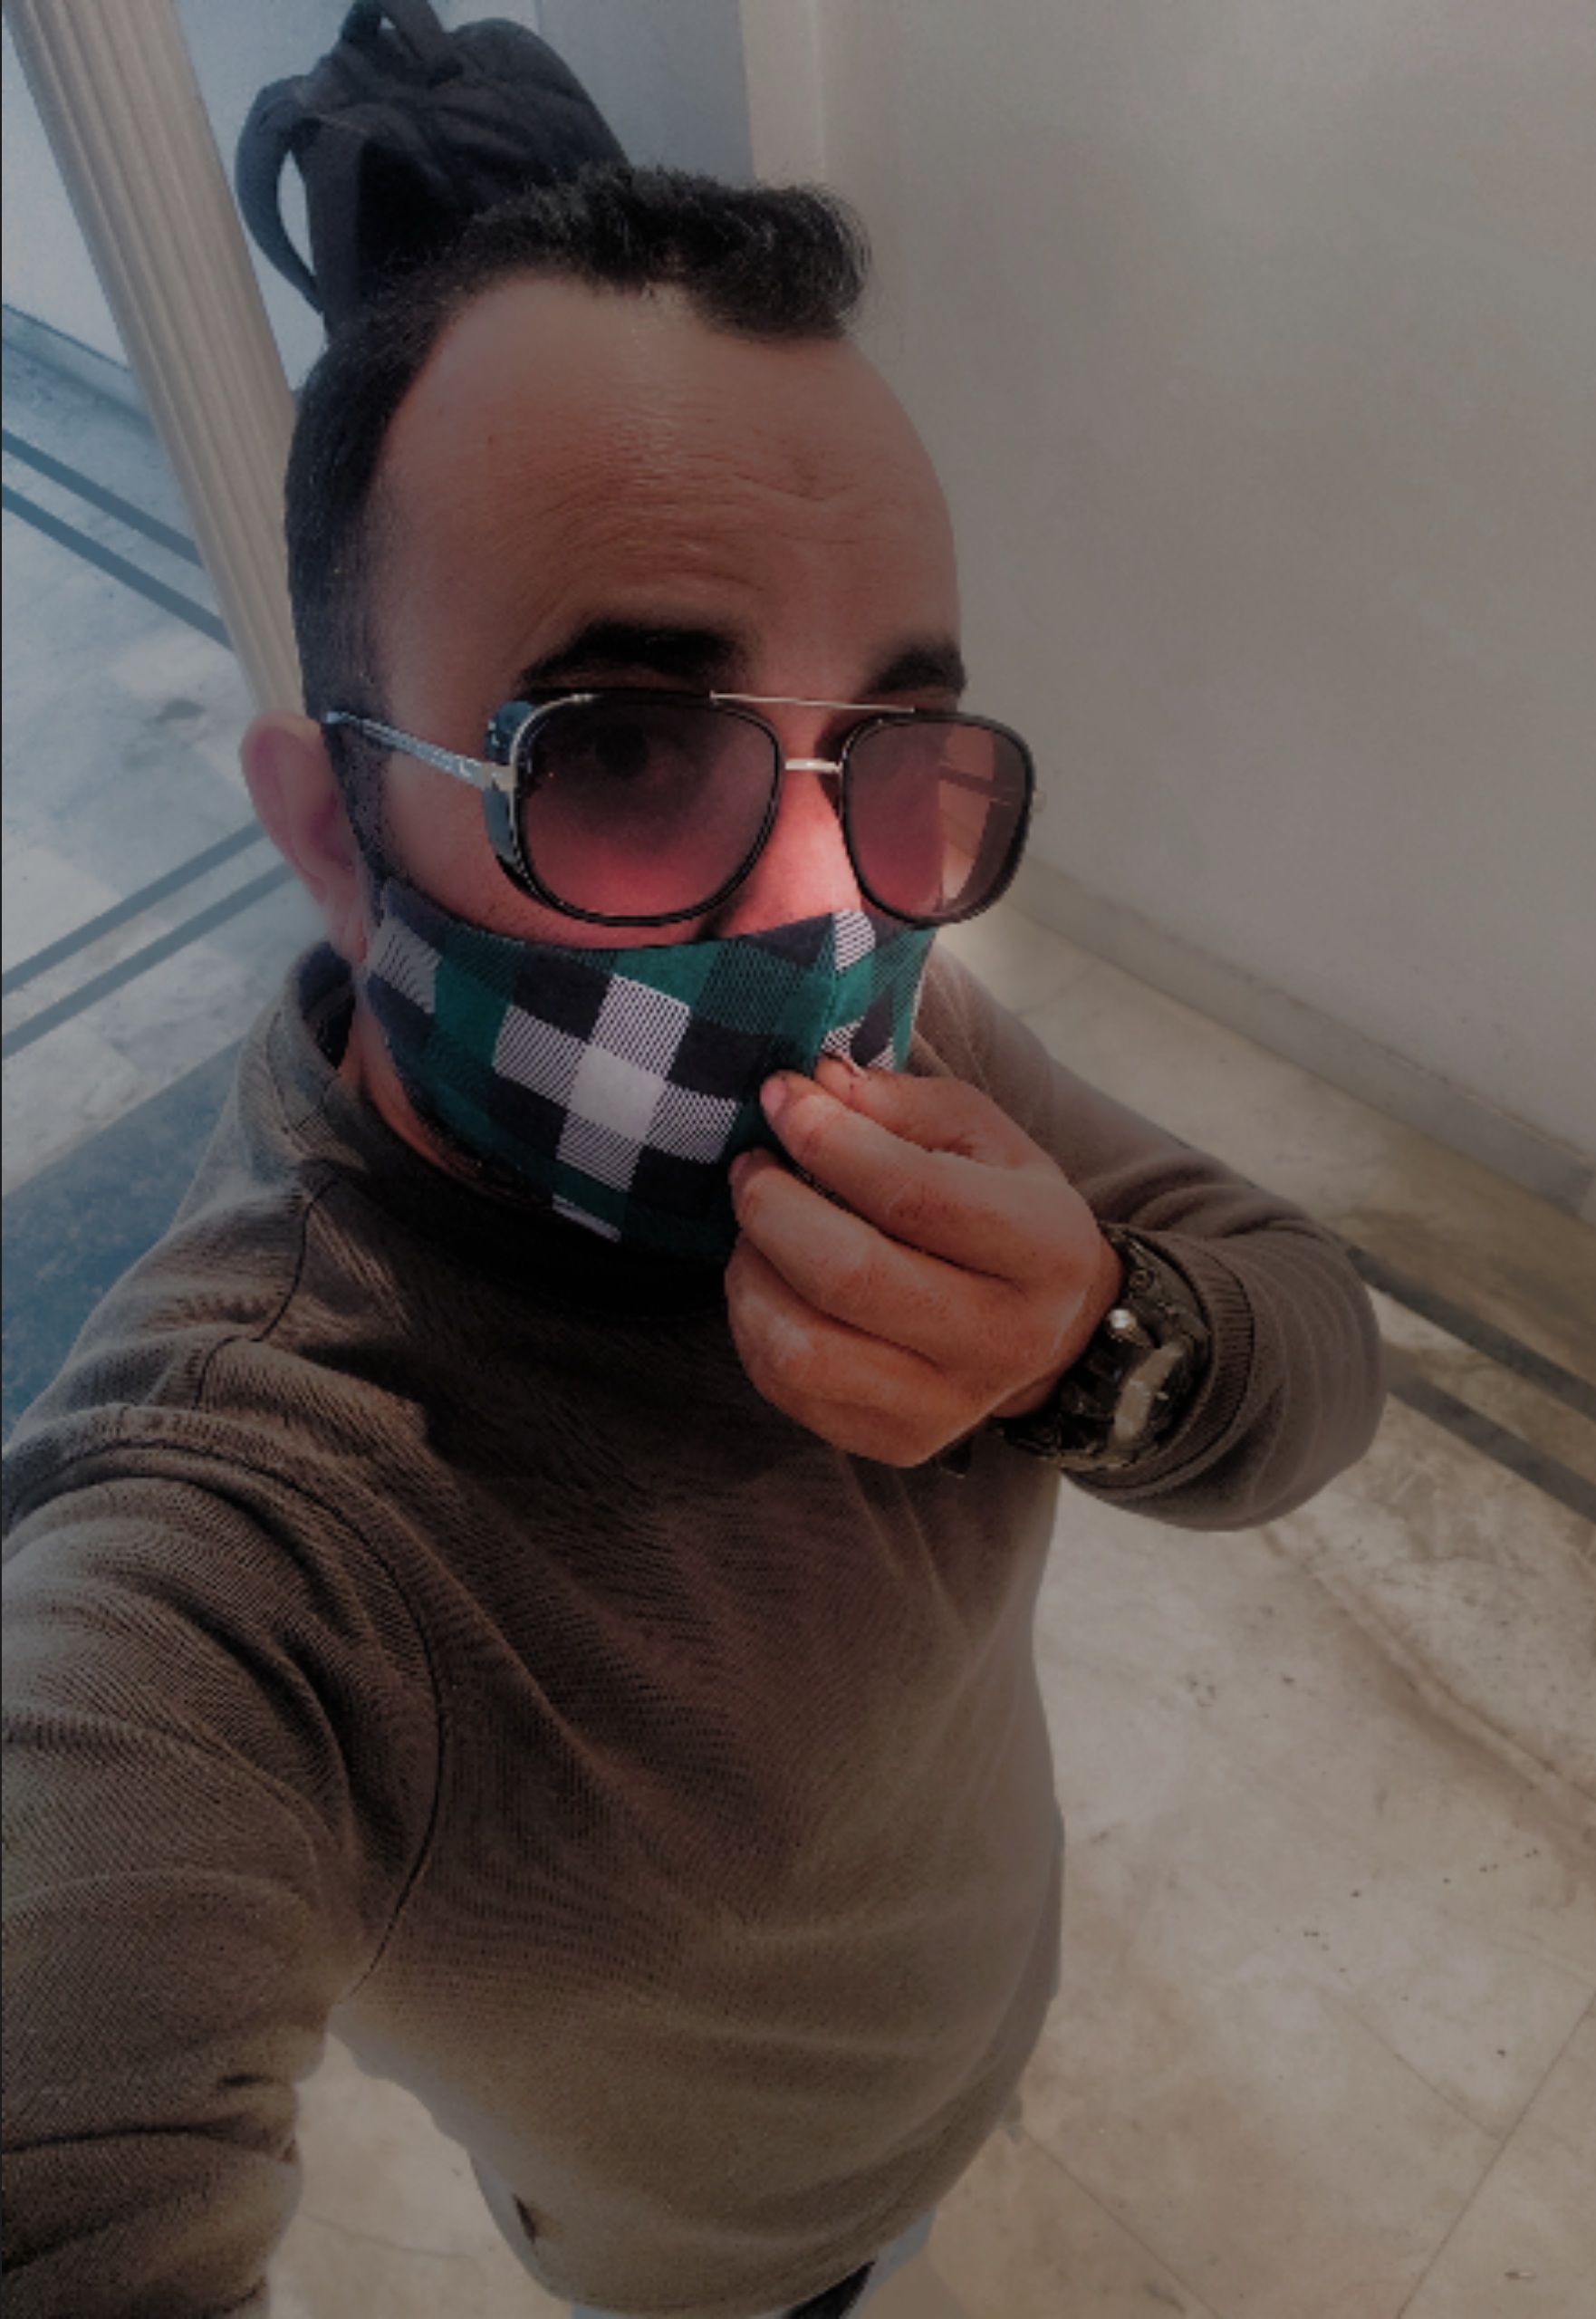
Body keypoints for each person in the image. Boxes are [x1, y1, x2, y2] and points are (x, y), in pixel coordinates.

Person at [2, 169, 1384, 2319]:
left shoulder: (912, 1040)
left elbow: (1310, 1343)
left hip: (983, 2006)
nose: (824, 914)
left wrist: (1092, 1341)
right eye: (627, 749)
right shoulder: (245, 1527)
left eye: (893, 751)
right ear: (334, 835)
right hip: (723, 2262)